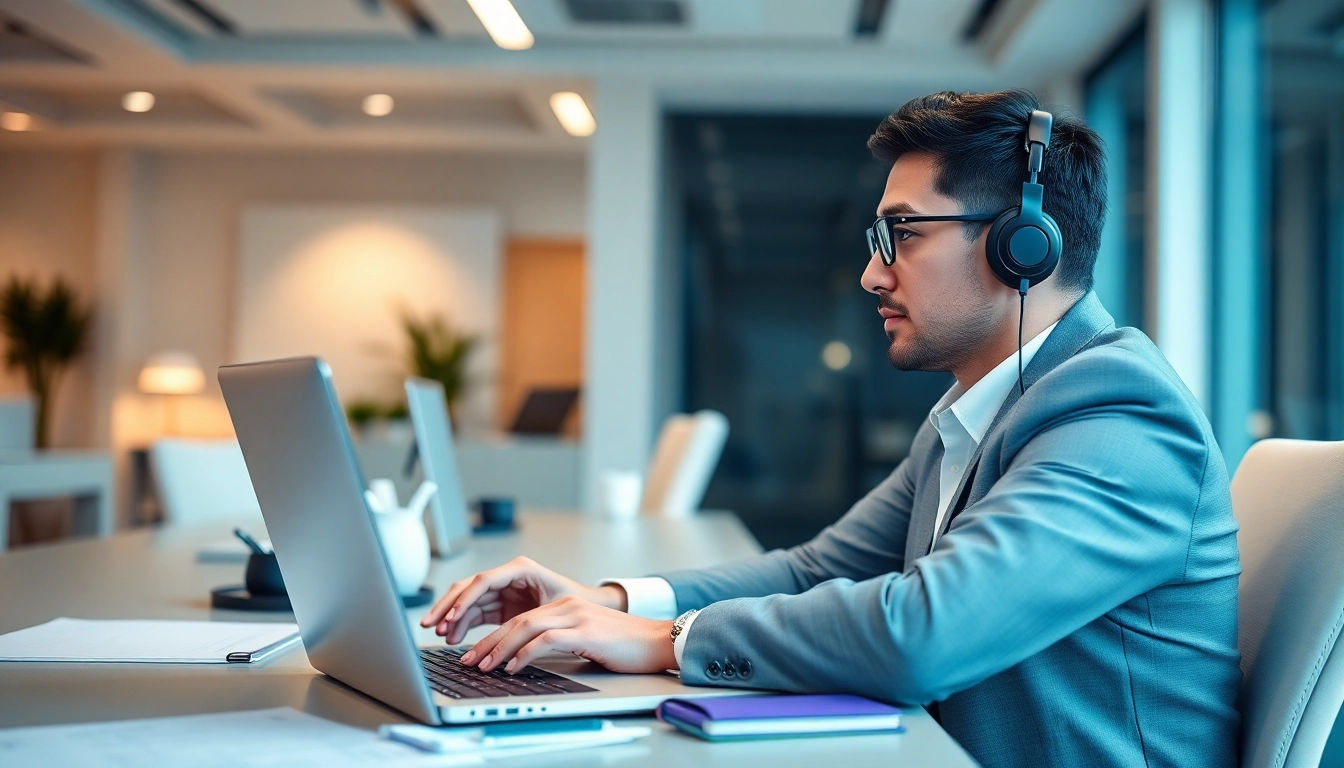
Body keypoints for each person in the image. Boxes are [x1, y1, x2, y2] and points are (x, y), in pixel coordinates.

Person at [420, 89, 1241, 767]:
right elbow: (817, 570)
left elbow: (925, 634)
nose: (872, 272)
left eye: (904, 236)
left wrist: (665, 639)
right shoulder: (977, 411)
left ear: (1022, 247)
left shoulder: (1120, 413)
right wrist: (607, 601)